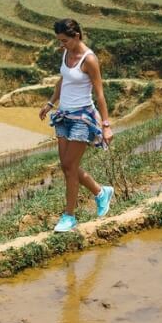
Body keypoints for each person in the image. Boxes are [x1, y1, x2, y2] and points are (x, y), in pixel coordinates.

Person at [39, 18, 114, 232]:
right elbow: (64, 80)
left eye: (64, 40)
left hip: (82, 117)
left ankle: (69, 216)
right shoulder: (66, 52)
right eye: (59, 41)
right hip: (63, 115)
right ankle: (101, 192)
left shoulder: (89, 60)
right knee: (66, 166)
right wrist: (50, 103)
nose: (61, 45)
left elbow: (100, 94)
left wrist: (106, 125)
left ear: (77, 36)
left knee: (70, 166)